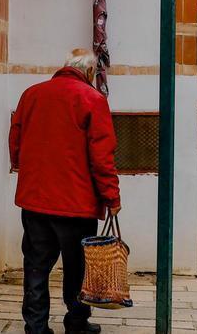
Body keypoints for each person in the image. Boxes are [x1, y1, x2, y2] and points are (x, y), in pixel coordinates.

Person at [9, 49, 121, 334]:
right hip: (75, 203)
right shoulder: (92, 100)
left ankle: (35, 327)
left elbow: (16, 138)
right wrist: (111, 196)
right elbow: (102, 156)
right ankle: (76, 322)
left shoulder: (31, 94)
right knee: (77, 267)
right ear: (89, 73)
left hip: (35, 200)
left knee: (36, 265)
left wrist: (22, 166)